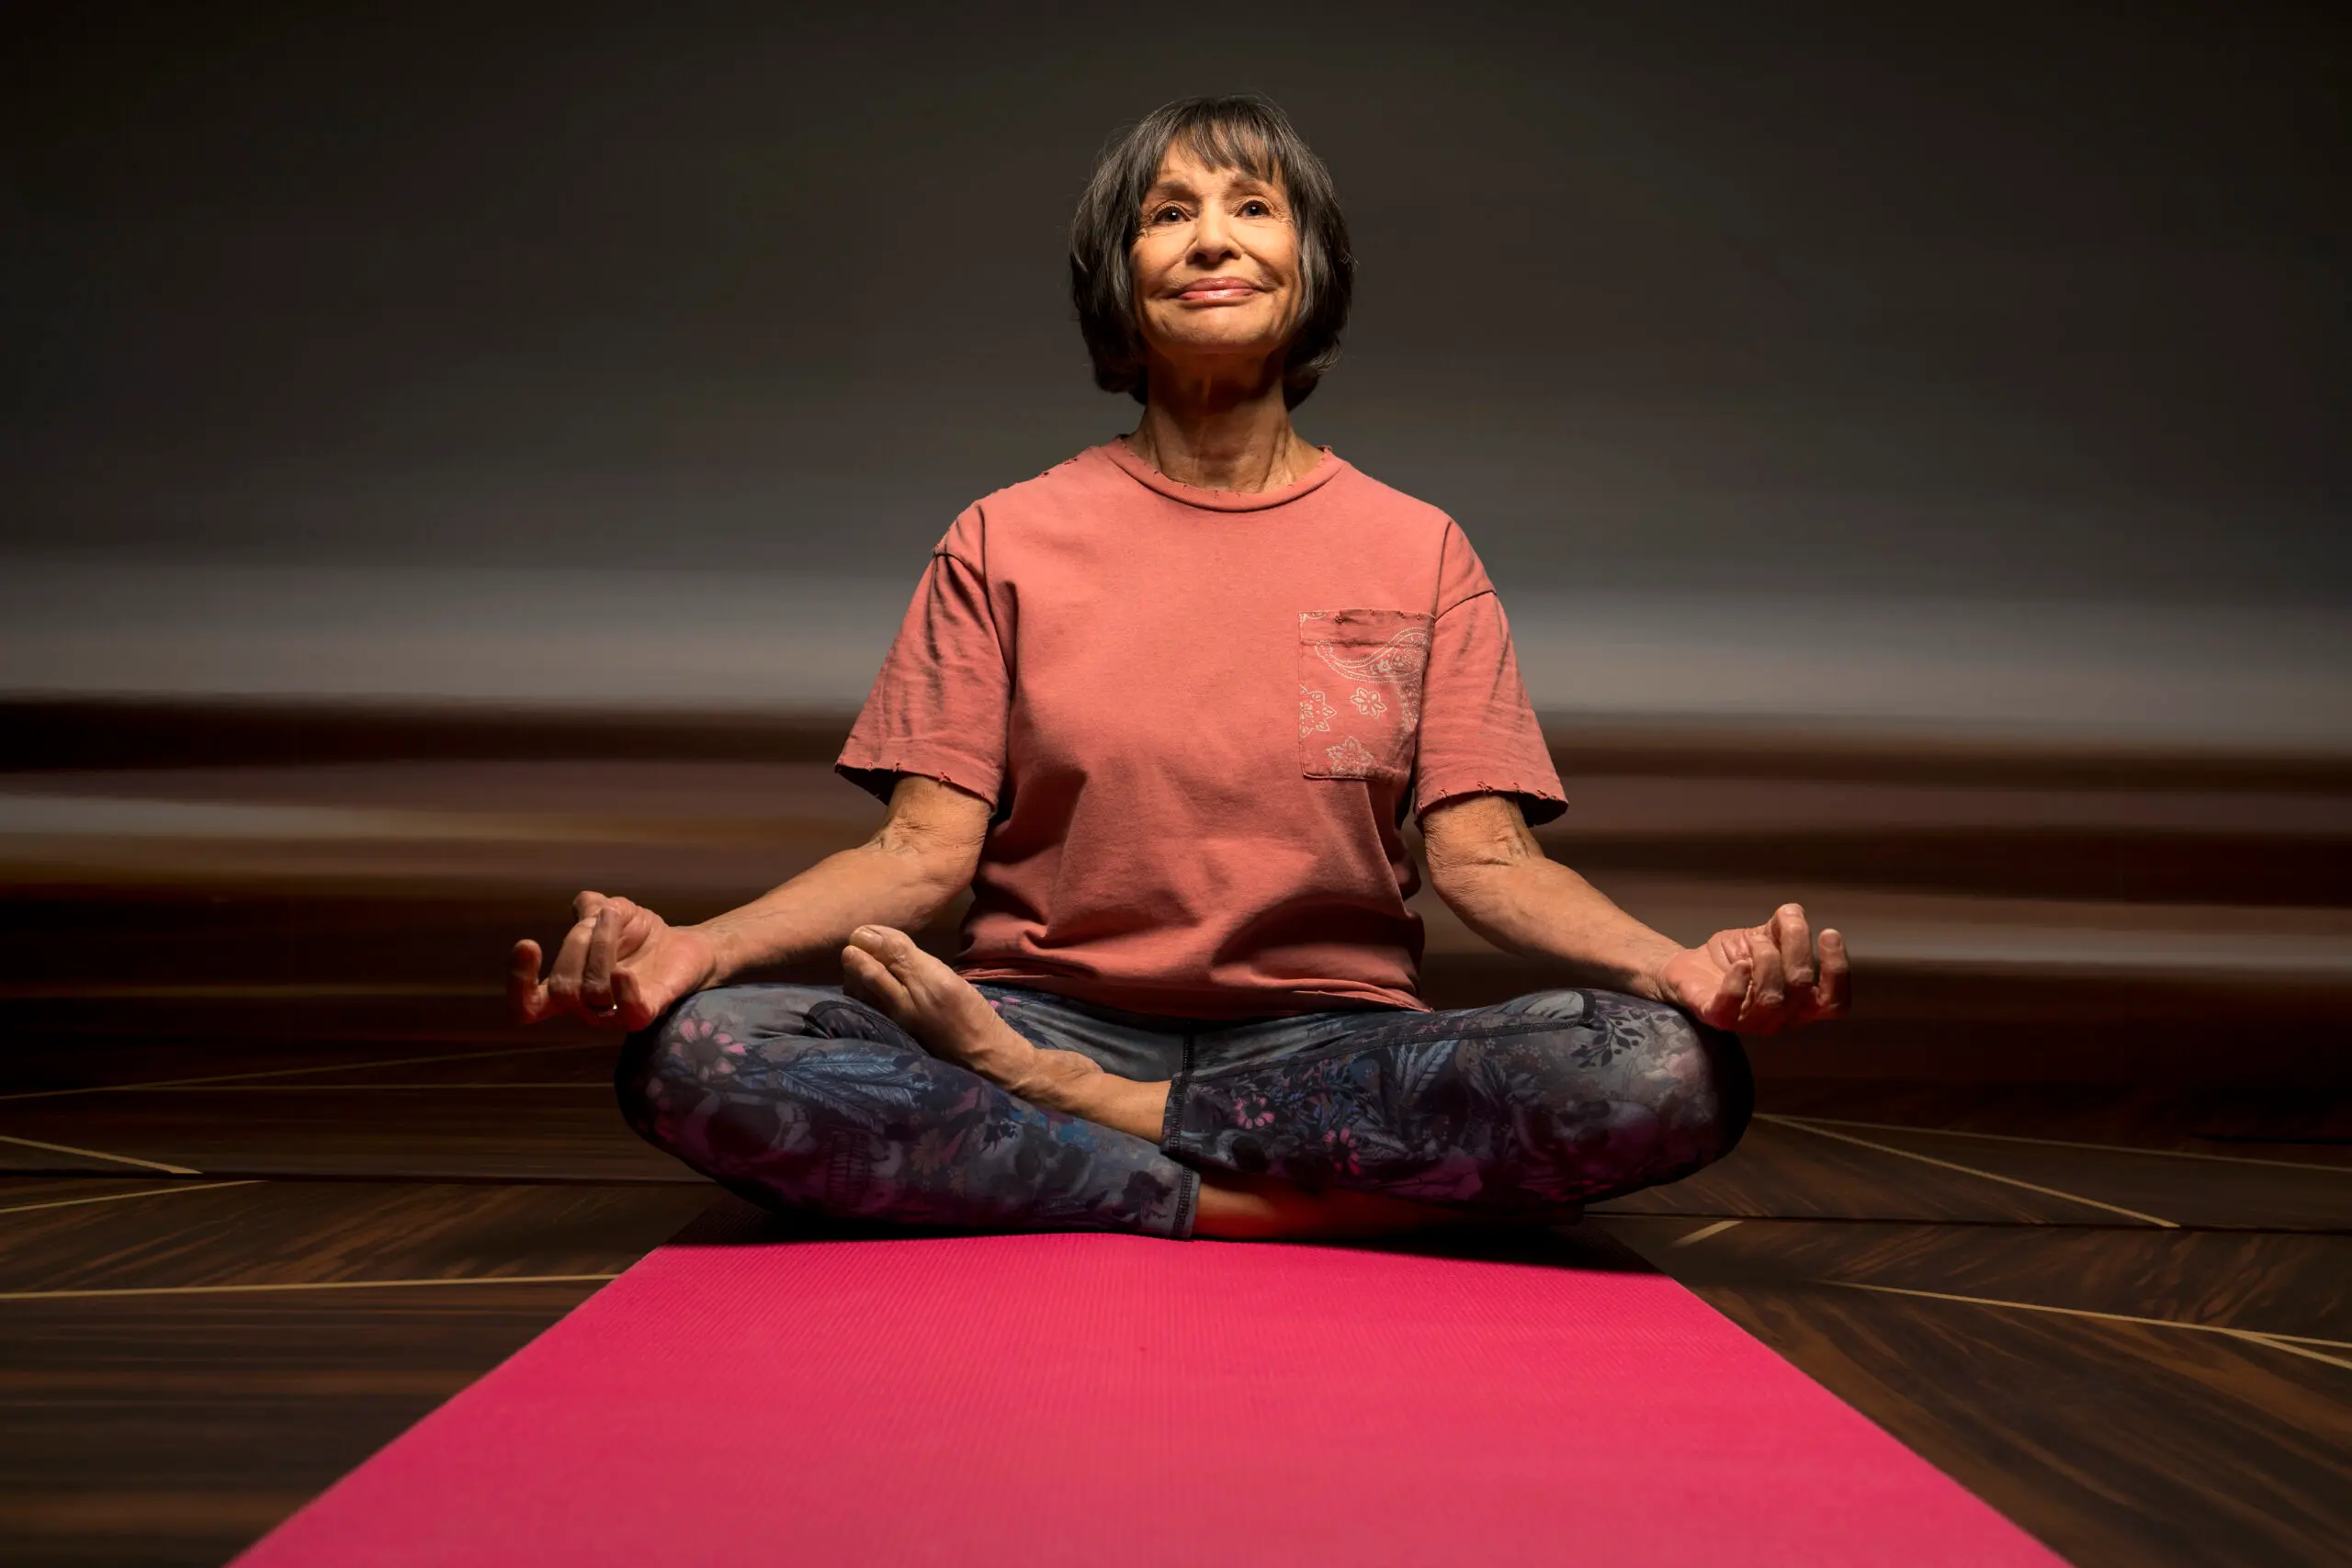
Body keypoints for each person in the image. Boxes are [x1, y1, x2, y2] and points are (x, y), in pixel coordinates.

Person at [507, 96, 1847, 1242]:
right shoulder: (1005, 536)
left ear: (1309, 266)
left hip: (1322, 1048)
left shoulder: (1420, 547)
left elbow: (1488, 864)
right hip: (1035, 1017)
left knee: (1661, 1069)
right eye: (1166, 214)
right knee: (704, 1052)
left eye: (1253, 207)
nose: (1212, 236)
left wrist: (1679, 969)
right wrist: (695, 947)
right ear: (1119, 280)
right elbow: (918, 858)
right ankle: (1252, 1204)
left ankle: (1097, 1152)